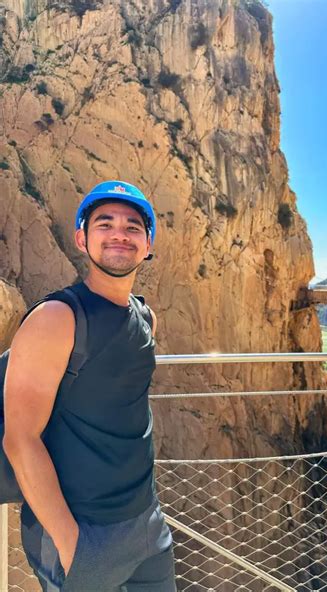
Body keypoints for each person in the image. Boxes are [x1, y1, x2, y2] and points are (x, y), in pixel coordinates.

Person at [3, 181, 176, 591]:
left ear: (148, 243)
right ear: (82, 239)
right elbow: (20, 438)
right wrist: (71, 545)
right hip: (83, 537)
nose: (120, 233)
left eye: (133, 226)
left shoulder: (144, 318)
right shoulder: (57, 318)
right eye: (105, 223)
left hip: (148, 527)